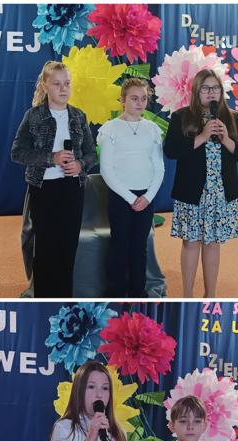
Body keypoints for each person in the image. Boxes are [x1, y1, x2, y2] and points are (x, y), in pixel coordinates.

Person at [11, 61, 97, 298]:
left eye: (67, 83)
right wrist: (52, 157)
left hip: (72, 189)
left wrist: (80, 165)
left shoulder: (78, 116)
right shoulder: (33, 116)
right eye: (57, 84)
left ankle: (64, 299)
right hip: (43, 189)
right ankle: (43, 298)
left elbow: (91, 153)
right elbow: (17, 153)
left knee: (68, 248)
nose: (63, 88)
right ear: (45, 85)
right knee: (46, 249)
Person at [164, 68, 238, 297]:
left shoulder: (232, 117)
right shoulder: (181, 116)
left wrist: (227, 140)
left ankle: (210, 294)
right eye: (206, 88)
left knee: (213, 243)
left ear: (221, 92)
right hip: (192, 192)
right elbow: (171, 151)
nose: (211, 92)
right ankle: (187, 294)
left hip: (221, 193)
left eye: (215, 88)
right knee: (191, 243)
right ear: (196, 91)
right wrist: (202, 137)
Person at [97, 78, 165, 298]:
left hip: (145, 197)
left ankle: (138, 292)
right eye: (134, 98)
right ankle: (116, 293)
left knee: (139, 247)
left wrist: (147, 197)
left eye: (144, 98)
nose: (139, 103)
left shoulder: (152, 129)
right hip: (120, 196)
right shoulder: (110, 129)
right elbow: (106, 169)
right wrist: (130, 198)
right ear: (123, 100)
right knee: (120, 245)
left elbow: (159, 168)